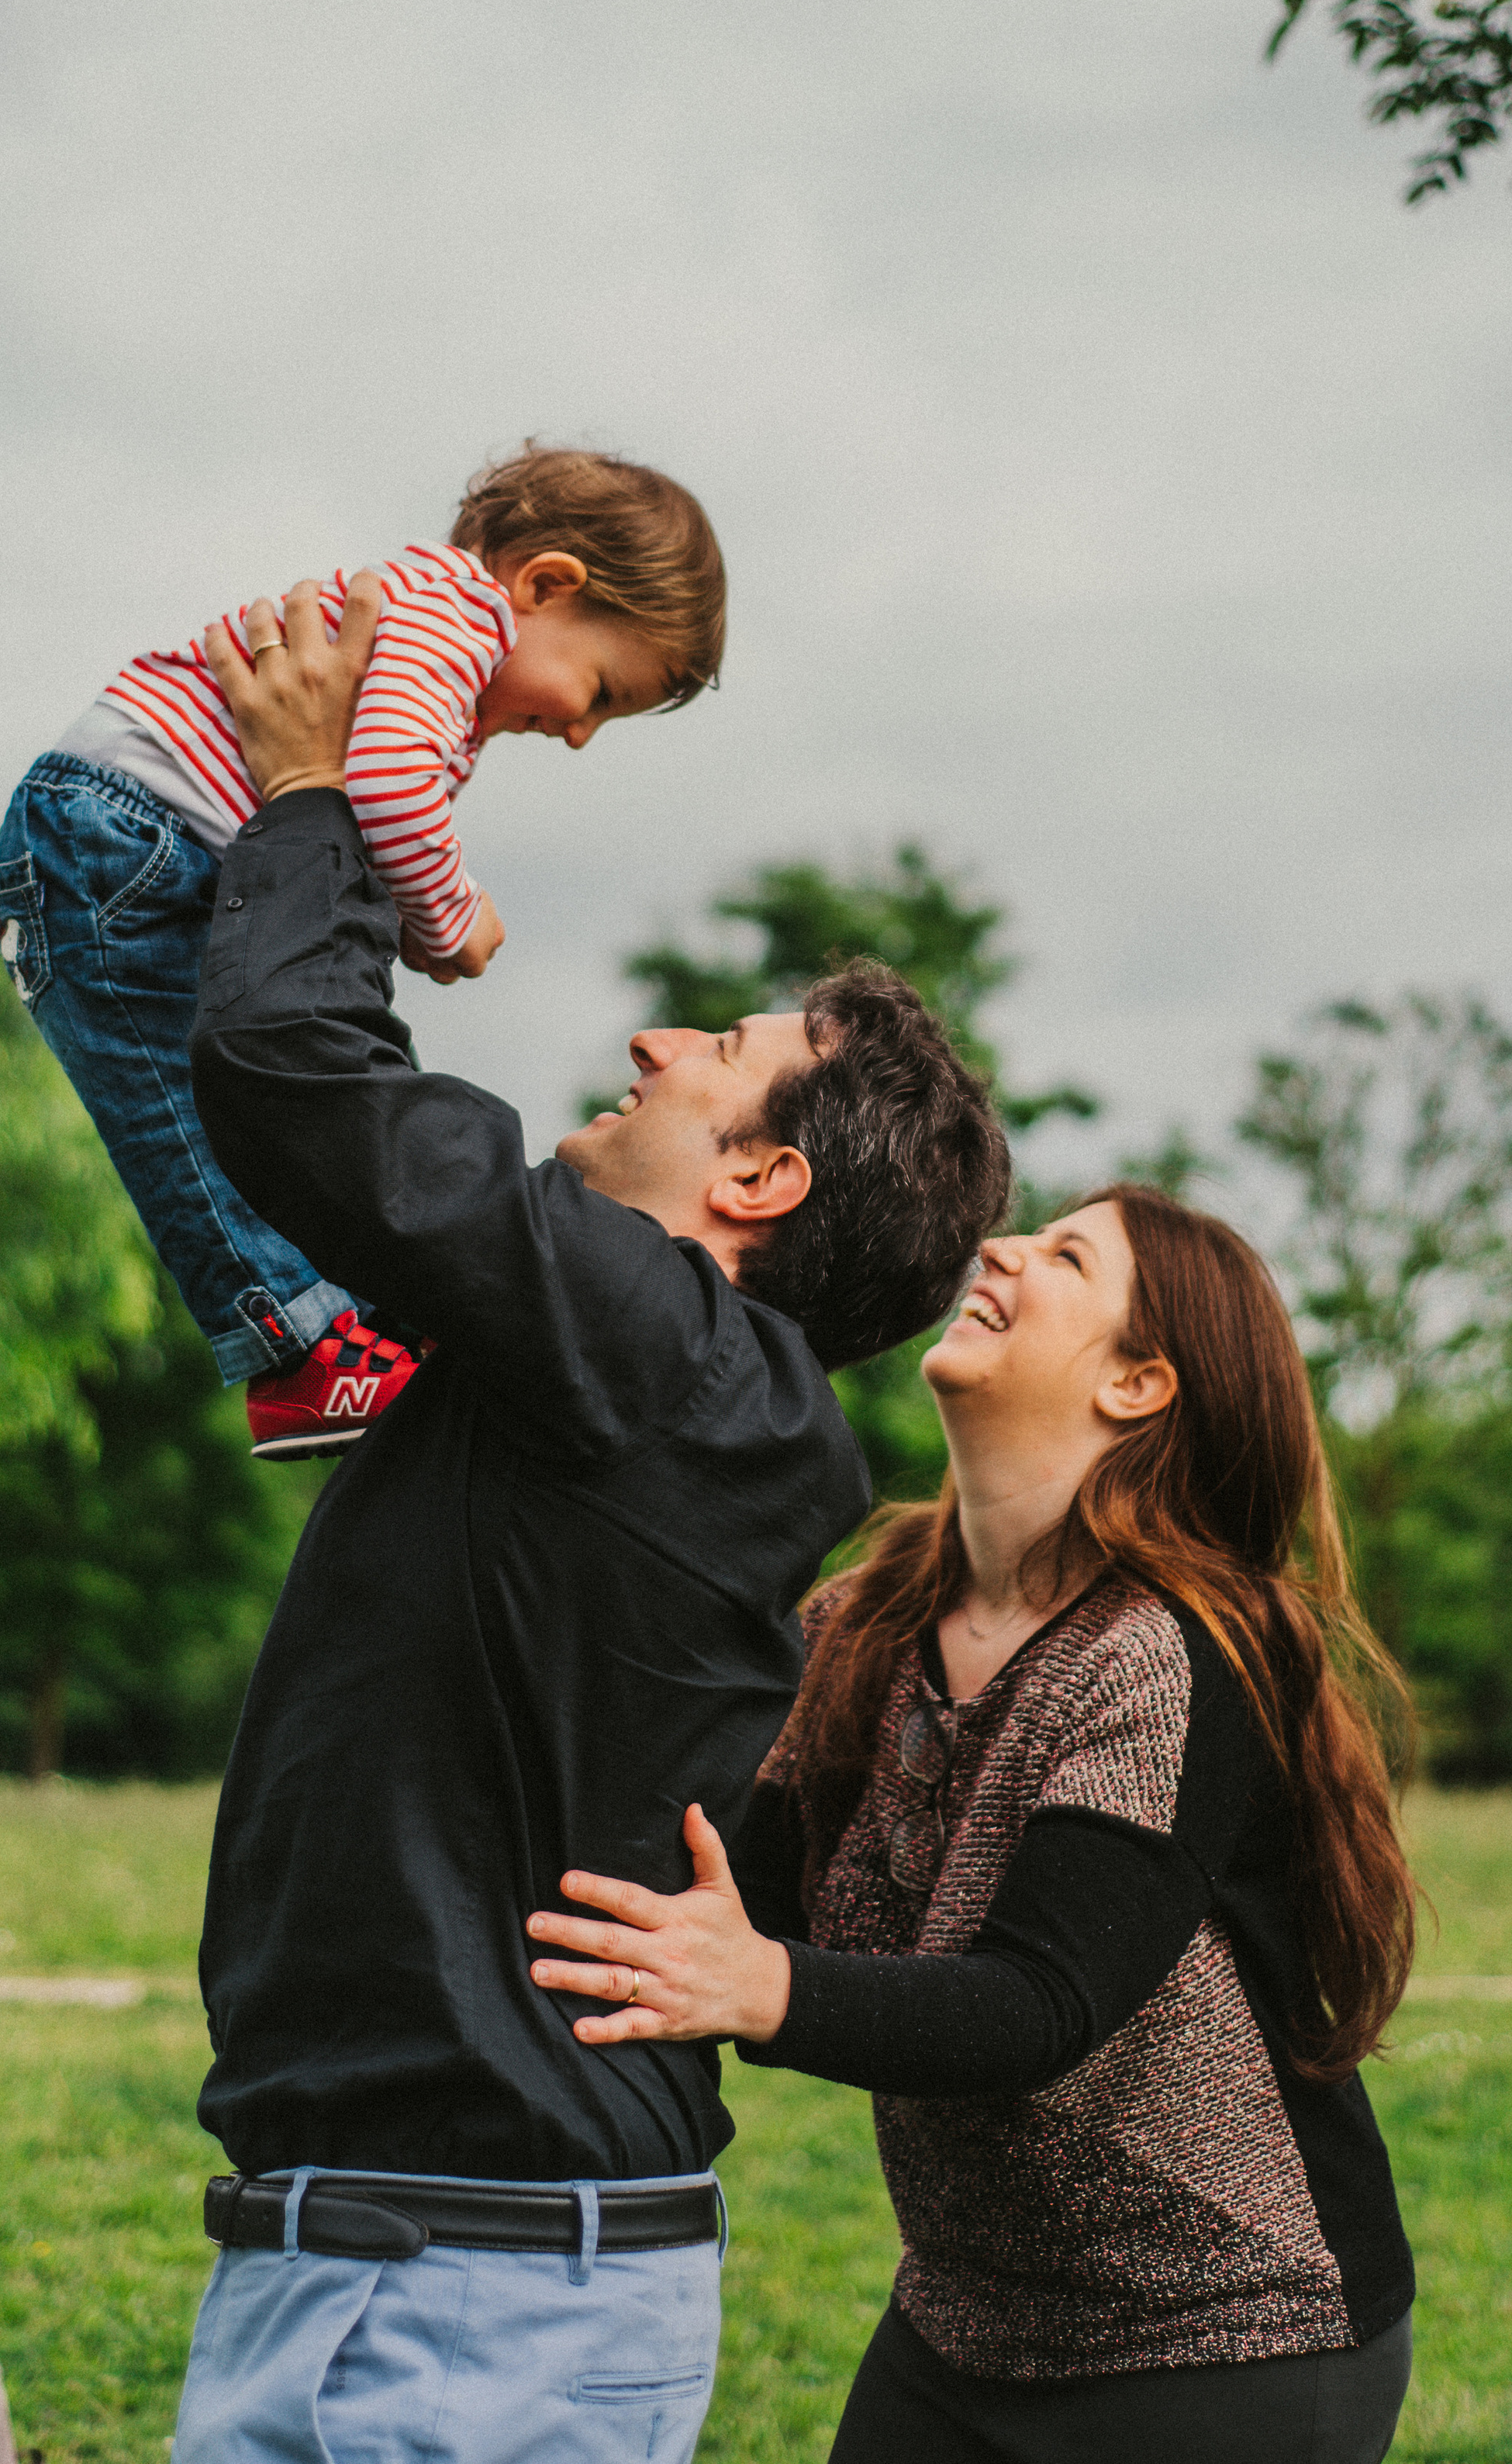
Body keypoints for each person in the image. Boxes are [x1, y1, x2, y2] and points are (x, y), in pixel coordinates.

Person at [166, 573, 1013, 2464]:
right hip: (430, 2261)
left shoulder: (664, 1348)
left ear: (759, 1174)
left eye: (711, 1050)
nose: (648, 1049)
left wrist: (316, 799)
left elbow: (311, 1091)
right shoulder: (651, 1385)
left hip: (468, 2295)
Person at [530, 1186, 1421, 2464]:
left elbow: (1033, 2009)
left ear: (1138, 1383)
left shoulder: (1173, 1649)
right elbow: (736, 1901)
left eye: (1065, 1254)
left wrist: (758, 1984)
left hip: (1233, 2338)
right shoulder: (862, 1624)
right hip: (968, 2324)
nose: (997, 1245)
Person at [0, 442, 726, 1459]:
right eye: (601, 690)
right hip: (126, 840)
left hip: (128, 843)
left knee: (277, 1090)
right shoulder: (449, 614)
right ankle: (301, 1349)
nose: (583, 734)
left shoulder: (439, 629)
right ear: (545, 584)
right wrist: (450, 915)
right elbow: (377, 784)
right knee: (182, 1106)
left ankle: (360, 1308)